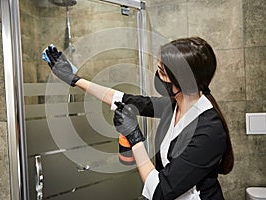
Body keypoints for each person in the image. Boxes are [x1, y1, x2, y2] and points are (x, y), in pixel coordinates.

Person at [44, 36, 234, 200]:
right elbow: (120, 98)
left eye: (161, 71)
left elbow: (161, 191)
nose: (157, 76)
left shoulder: (208, 132)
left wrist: (135, 137)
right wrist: (75, 79)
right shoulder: (175, 104)